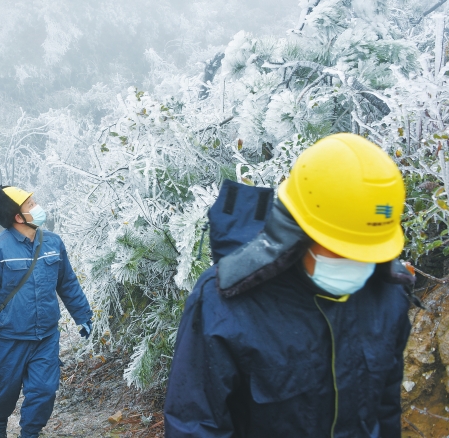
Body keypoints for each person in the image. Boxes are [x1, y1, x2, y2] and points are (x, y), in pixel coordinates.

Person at [164, 133, 414, 437]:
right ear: (299, 230)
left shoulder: (389, 293)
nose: (359, 262)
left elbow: (385, 410)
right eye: (343, 247)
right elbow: (195, 425)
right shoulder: (224, 304)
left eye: (370, 250)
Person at [0, 186, 93, 438]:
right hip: (8, 339)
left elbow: (67, 282)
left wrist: (83, 315)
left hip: (45, 338)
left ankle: (29, 433)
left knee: (44, 392)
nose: (37, 207)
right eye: (30, 204)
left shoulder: (52, 243)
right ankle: (0, 426)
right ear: (17, 216)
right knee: (3, 394)